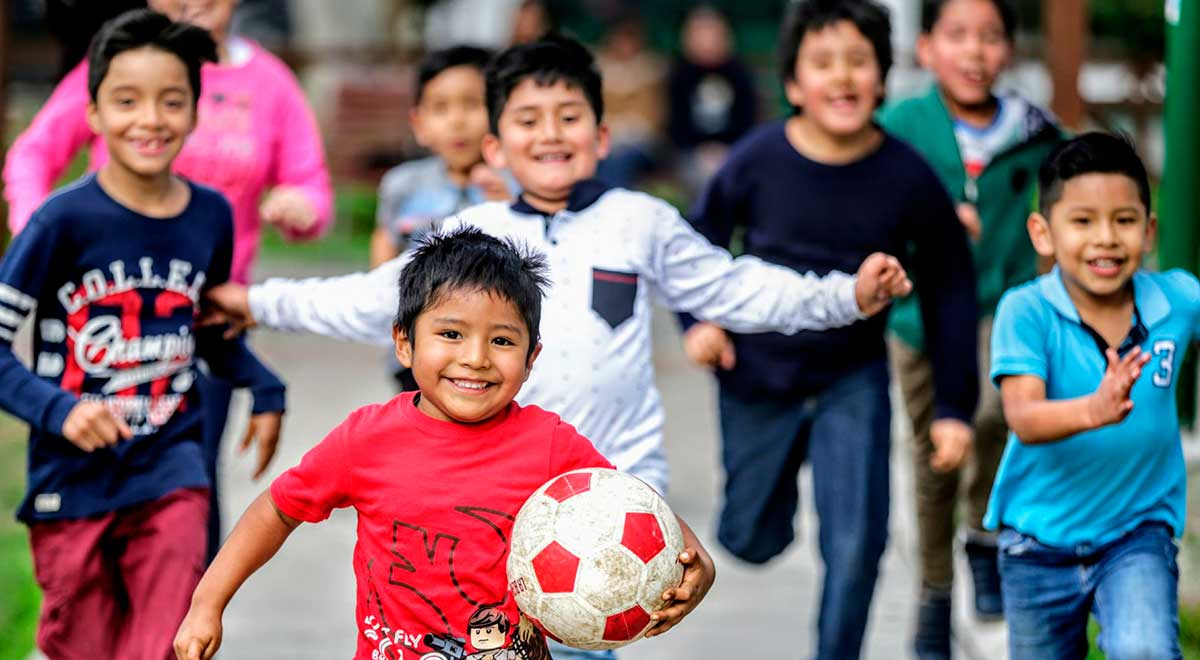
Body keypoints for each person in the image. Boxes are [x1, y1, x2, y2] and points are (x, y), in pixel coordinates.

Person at [200, 33, 913, 660]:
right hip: (487, 501)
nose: (550, 134)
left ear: (601, 135)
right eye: (528, 120)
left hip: (609, 506)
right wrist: (259, 301)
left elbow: (737, 288)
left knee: (579, 640)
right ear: (495, 144)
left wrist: (844, 294)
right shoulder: (470, 234)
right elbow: (368, 296)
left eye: (569, 117)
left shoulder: (640, 221)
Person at [173, 228, 717, 660]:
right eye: (451, 334)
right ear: (404, 343)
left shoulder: (550, 444)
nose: (476, 357)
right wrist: (207, 602)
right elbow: (278, 509)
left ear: (532, 359)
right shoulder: (367, 439)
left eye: (502, 341)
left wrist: (696, 565)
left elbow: (630, 507)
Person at [678, 2, 978, 658]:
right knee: (750, 537)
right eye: (822, 63)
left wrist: (954, 406)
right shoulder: (757, 159)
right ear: (792, 84)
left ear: (881, 78)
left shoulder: (907, 175)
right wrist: (697, 319)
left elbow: (951, 285)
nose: (841, 77)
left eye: (857, 61)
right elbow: (694, 240)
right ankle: (762, 508)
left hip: (852, 376)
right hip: (757, 373)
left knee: (857, 543)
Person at [3, 0, 333, 561]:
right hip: (102, 323)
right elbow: (34, 152)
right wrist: (46, 238)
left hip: (197, 326)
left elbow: (311, 185)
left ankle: (176, 634)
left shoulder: (270, 83)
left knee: (185, 501)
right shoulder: (120, 60)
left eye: (173, 101)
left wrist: (300, 206)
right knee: (100, 515)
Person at [875, 1, 1064, 653]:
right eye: (958, 36)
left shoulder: (1037, 131)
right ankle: (935, 587)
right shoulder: (898, 127)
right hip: (919, 316)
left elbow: (1069, 201)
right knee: (933, 452)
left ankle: (984, 537)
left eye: (990, 37)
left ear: (1009, 49)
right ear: (926, 49)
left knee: (994, 416)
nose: (975, 52)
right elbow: (868, 215)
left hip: (1005, 307)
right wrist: (928, 225)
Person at [987, 132, 1191, 660]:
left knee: (1144, 648)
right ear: (1043, 232)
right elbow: (1025, 417)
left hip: (1135, 534)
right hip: (1036, 544)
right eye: (1082, 222)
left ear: (1148, 232)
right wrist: (1095, 410)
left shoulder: (1175, 300)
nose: (1106, 238)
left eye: (1124, 221)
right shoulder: (1026, 311)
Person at [371, 45, 515, 390]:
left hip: (491, 353)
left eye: (472, 104)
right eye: (441, 108)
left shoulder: (517, 185)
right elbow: (385, 242)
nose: (457, 120)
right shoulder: (403, 184)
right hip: (422, 349)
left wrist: (510, 205)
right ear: (419, 124)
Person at [666, 5, 758, 198]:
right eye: (699, 32)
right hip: (691, 154)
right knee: (702, 177)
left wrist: (727, 149)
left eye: (712, 32)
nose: (707, 40)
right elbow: (675, 124)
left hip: (734, 149)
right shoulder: (679, 75)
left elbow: (749, 121)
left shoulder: (740, 73)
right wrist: (701, 150)